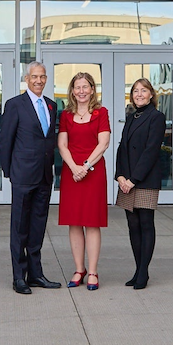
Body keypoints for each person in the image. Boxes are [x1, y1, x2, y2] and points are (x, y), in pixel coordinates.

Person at [0, 62, 62, 295]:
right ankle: (19, 277)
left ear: (46, 79)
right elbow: (6, 141)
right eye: (34, 76)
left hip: (45, 176)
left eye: (42, 77)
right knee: (20, 228)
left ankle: (36, 274)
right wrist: (9, 172)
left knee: (37, 227)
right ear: (27, 79)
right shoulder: (15, 105)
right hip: (23, 176)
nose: (38, 81)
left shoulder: (52, 106)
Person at [57, 72, 110, 291]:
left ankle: (94, 271)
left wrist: (85, 166)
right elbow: (62, 145)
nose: (81, 91)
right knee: (74, 222)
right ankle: (79, 269)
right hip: (72, 173)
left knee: (92, 222)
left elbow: (103, 143)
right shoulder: (66, 115)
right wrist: (73, 168)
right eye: (77, 87)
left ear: (92, 89)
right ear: (71, 91)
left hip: (93, 173)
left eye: (85, 87)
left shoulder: (101, 112)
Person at [114, 78, 166, 290]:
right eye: (135, 91)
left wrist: (133, 179)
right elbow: (122, 149)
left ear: (151, 94)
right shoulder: (131, 117)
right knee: (132, 225)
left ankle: (143, 272)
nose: (139, 94)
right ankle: (137, 269)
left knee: (145, 223)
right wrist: (120, 177)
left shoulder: (157, 117)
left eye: (143, 90)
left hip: (144, 180)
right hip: (127, 181)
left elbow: (151, 151)